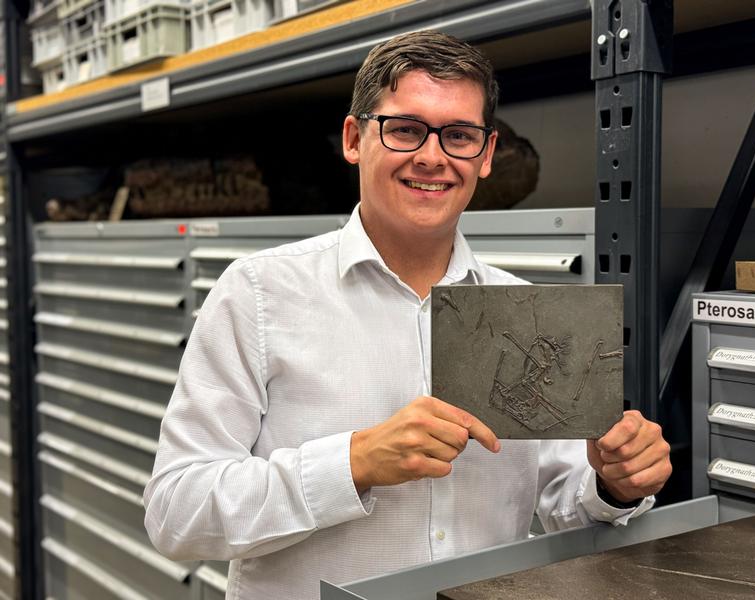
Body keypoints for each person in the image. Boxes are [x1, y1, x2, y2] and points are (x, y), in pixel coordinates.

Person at [144, 31, 672, 600]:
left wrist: (614, 483)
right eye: (404, 129)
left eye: (460, 136)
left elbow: (566, 506)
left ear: (486, 154)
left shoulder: (527, 311)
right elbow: (178, 511)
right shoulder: (259, 294)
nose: (432, 157)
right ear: (354, 139)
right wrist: (353, 463)